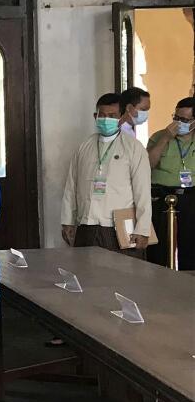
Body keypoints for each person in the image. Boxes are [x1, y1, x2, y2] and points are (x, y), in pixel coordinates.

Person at [61, 92, 152, 258]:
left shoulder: (133, 147)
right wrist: (67, 221)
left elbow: (143, 191)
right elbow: (71, 186)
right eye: (102, 115)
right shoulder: (85, 146)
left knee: (123, 271)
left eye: (112, 116)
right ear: (95, 116)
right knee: (84, 271)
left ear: (122, 117)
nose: (106, 119)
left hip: (119, 227)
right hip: (87, 224)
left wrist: (143, 229)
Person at [146, 96, 195, 270]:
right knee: (158, 250)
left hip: (190, 198)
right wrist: (166, 138)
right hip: (161, 197)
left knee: (189, 248)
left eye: (184, 120)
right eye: (176, 117)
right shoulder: (159, 136)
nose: (178, 123)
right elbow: (148, 164)